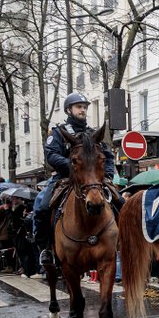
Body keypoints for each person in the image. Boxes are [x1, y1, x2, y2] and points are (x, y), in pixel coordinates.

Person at [33, 93, 115, 266]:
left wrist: (107, 175)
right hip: (64, 178)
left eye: (84, 107)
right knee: (41, 207)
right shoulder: (57, 132)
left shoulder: (93, 134)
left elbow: (107, 156)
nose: (83, 110)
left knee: (120, 201)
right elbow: (51, 154)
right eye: (79, 107)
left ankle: (123, 241)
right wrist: (71, 165)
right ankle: (45, 249)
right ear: (69, 110)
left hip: (92, 180)